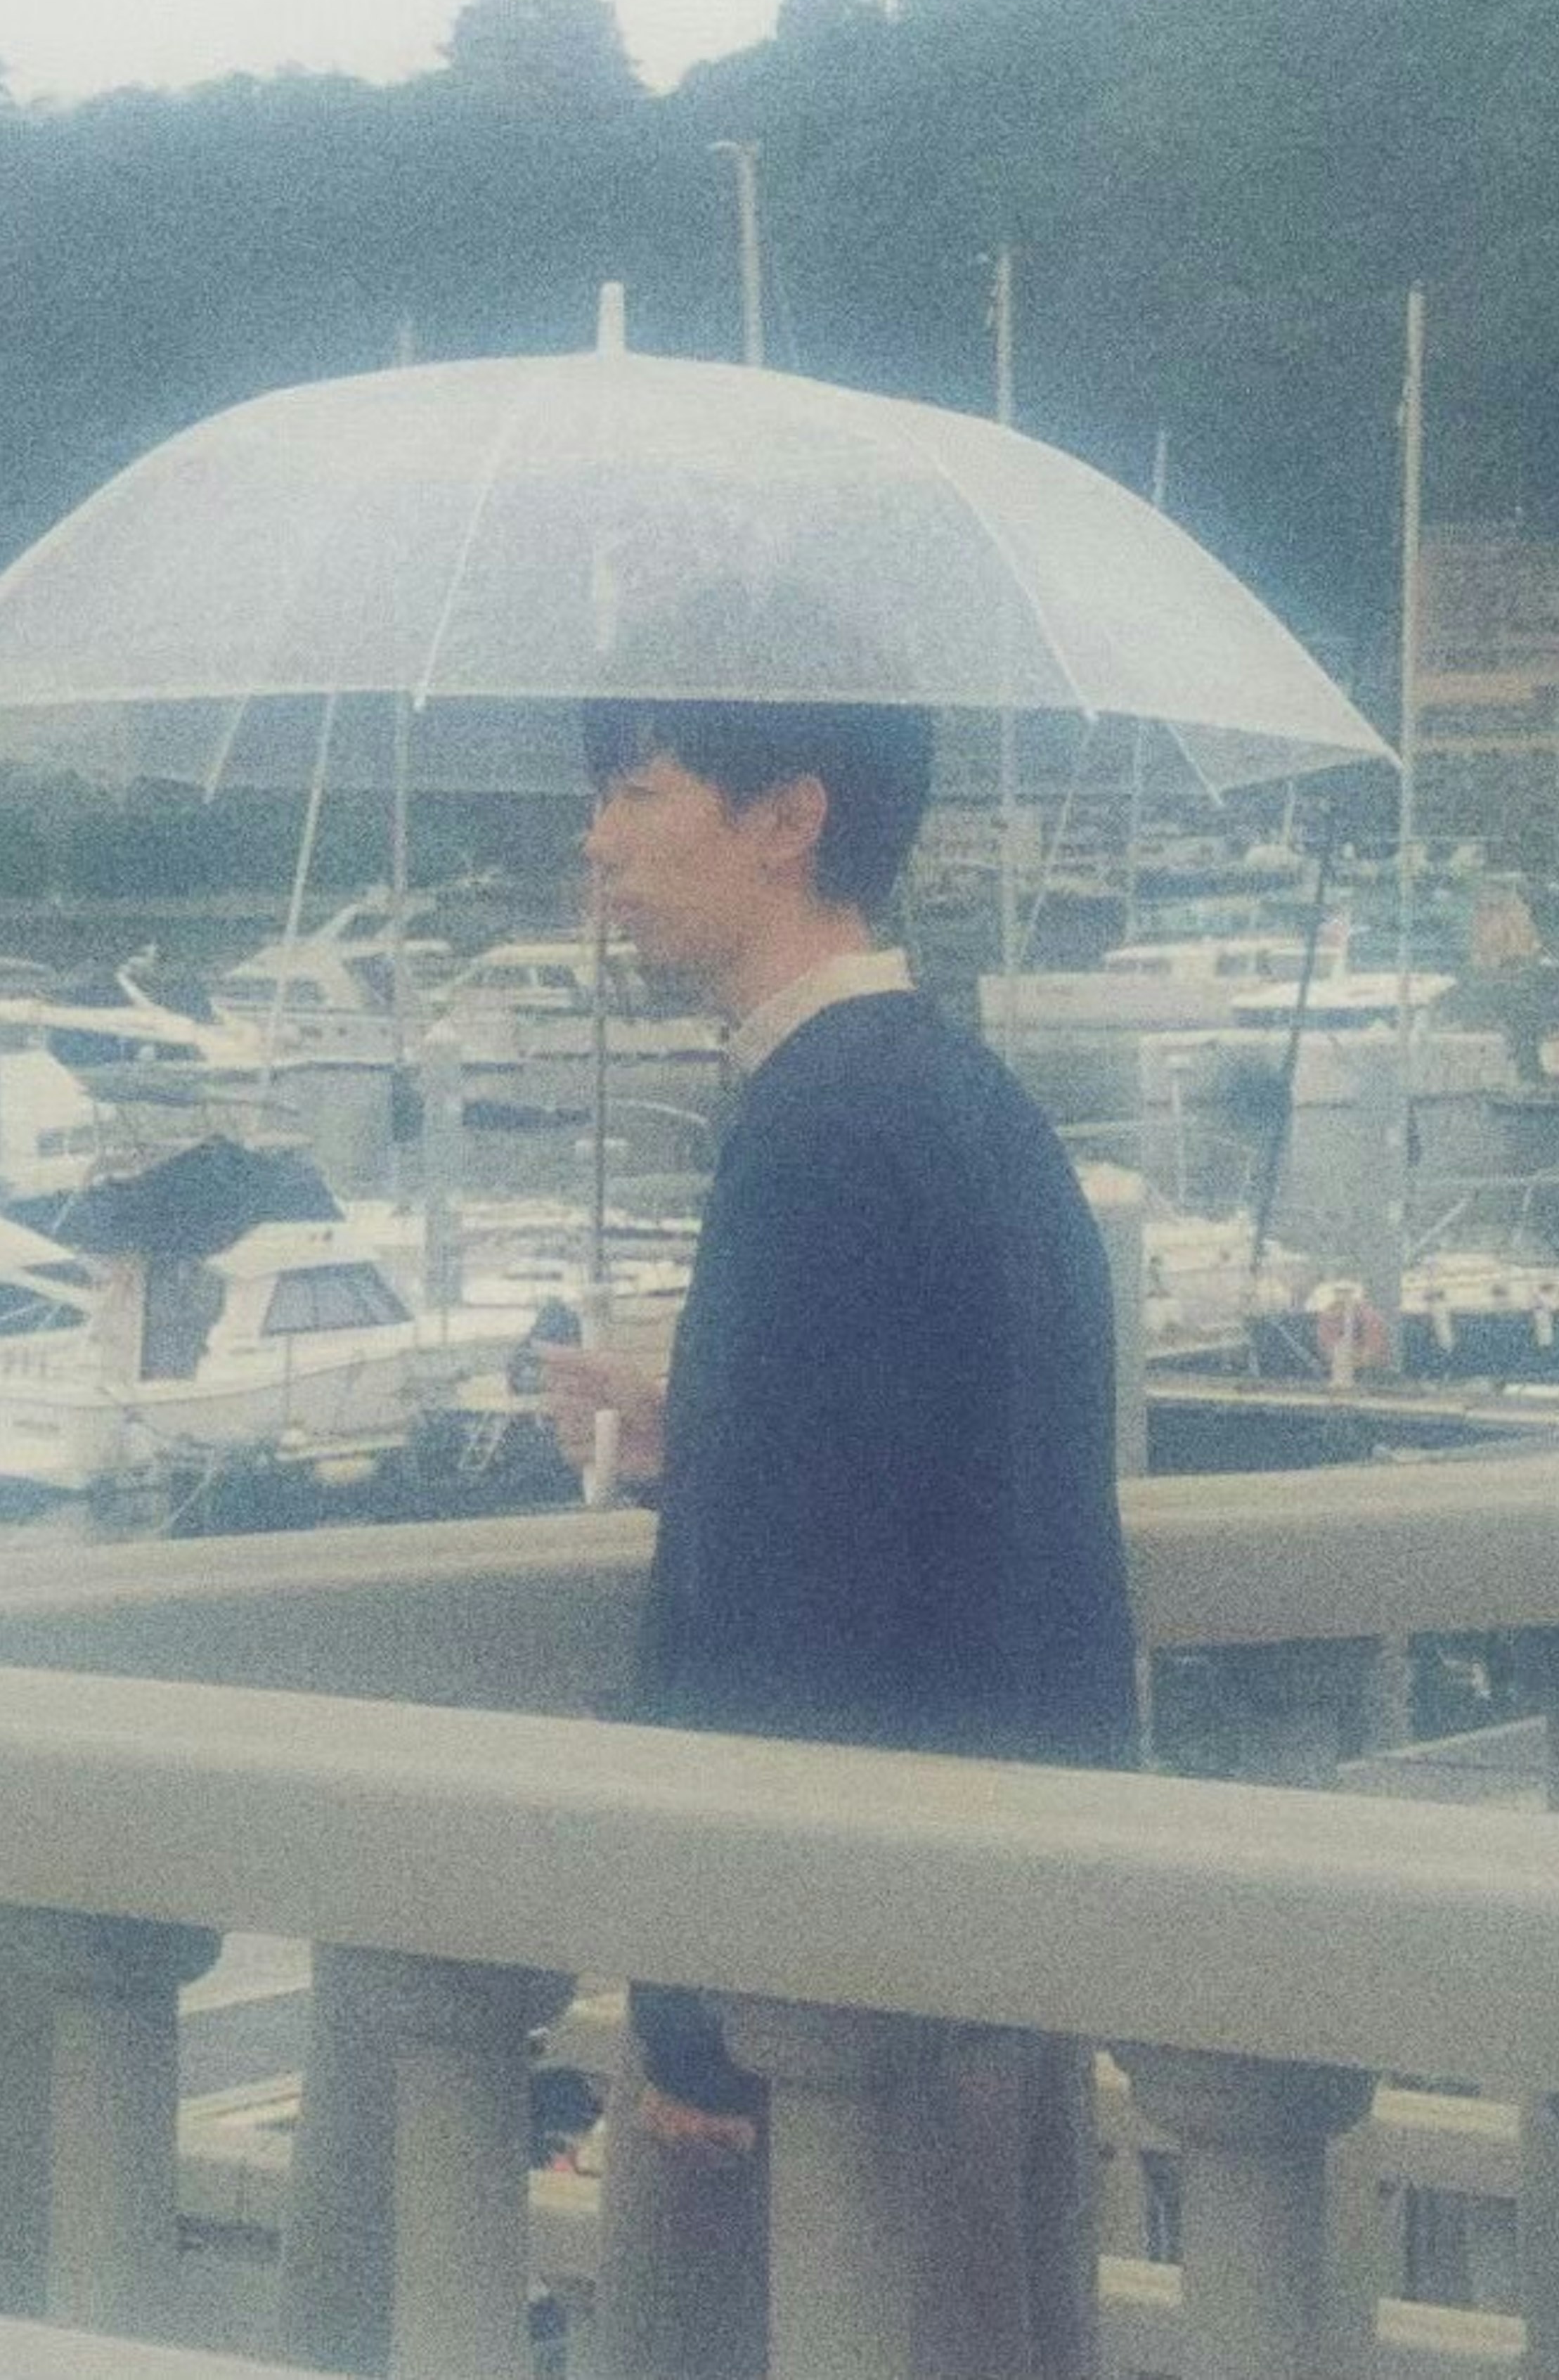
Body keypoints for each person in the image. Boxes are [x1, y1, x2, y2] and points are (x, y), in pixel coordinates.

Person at [546, 695, 1137, 2378]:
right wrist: (701, 1438)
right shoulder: (964, 1099)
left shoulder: (817, 1129)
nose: (596, 840)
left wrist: (693, 2010)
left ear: (787, 815)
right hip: (993, 1928)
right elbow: (926, 1497)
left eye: (638, 789)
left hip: (846, 1980)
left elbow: (797, 1617)